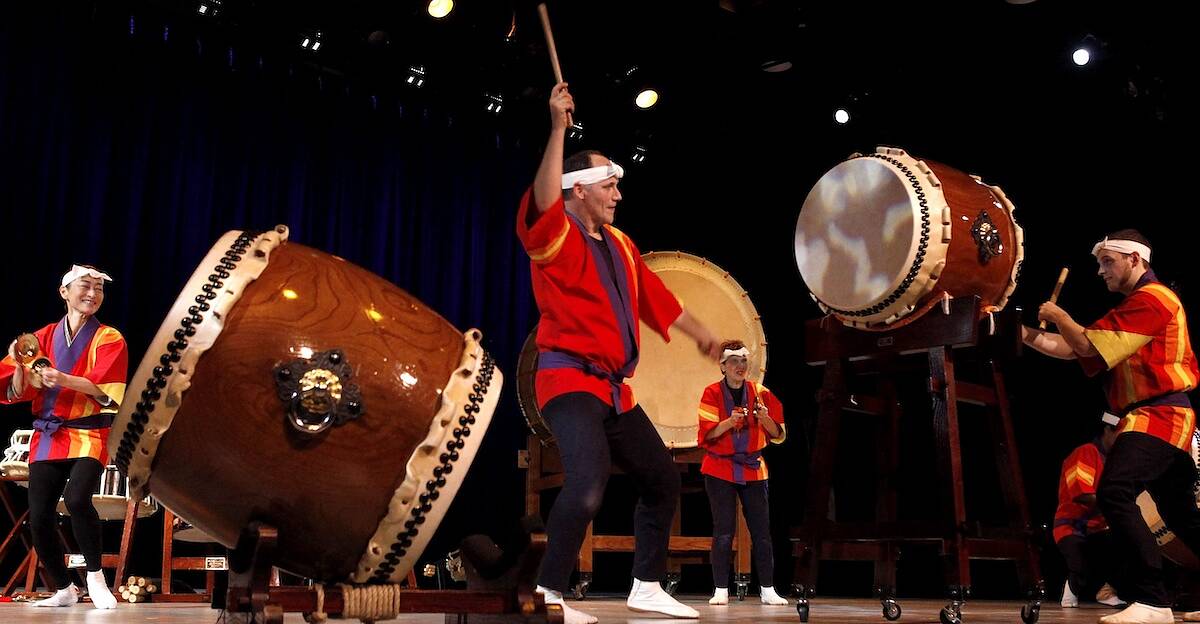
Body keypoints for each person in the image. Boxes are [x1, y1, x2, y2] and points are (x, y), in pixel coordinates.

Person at [517, 82, 722, 623]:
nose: (617, 195)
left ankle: (646, 585)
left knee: (662, 480)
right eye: (609, 186)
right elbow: (543, 200)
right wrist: (557, 128)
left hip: (613, 391)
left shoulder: (623, 245)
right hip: (568, 381)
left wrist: (701, 334)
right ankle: (548, 593)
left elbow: (657, 301)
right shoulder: (556, 236)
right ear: (579, 190)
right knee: (587, 485)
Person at [1023, 230, 1199, 624]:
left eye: (1108, 261)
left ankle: (1153, 601)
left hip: (1160, 414)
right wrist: (1018, 332)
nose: (1101, 271)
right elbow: (1072, 348)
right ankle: (1154, 598)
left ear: (1135, 259)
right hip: (1152, 415)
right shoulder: (1133, 307)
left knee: (1115, 491)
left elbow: (1085, 345)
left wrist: (1059, 316)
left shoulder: (1153, 299)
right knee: (1182, 514)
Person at [0, 265, 127, 609]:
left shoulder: (109, 338)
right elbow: (16, 391)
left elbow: (105, 390)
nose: (92, 294)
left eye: (99, 289)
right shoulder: (40, 338)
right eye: (85, 286)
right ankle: (63, 588)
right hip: (49, 433)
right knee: (39, 515)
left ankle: (96, 578)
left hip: (90, 432)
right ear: (64, 292)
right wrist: (20, 367)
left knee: (76, 499)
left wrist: (62, 378)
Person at [696, 339, 789, 606]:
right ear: (723, 366)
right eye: (734, 361)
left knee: (761, 532)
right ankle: (720, 589)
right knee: (723, 531)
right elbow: (707, 434)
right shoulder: (711, 393)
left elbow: (778, 434)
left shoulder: (761, 392)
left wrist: (764, 418)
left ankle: (768, 589)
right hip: (719, 468)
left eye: (744, 361)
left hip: (753, 468)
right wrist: (729, 422)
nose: (740, 366)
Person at [1054, 412, 1124, 609]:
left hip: (1099, 527)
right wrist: (1117, 504)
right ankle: (1070, 594)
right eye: (1120, 435)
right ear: (1107, 430)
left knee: (1134, 543)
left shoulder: (1113, 460)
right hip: (1073, 526)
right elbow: (1082, 493)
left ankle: (1106, 591)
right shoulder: (1086, 451)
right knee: (1080, 567)